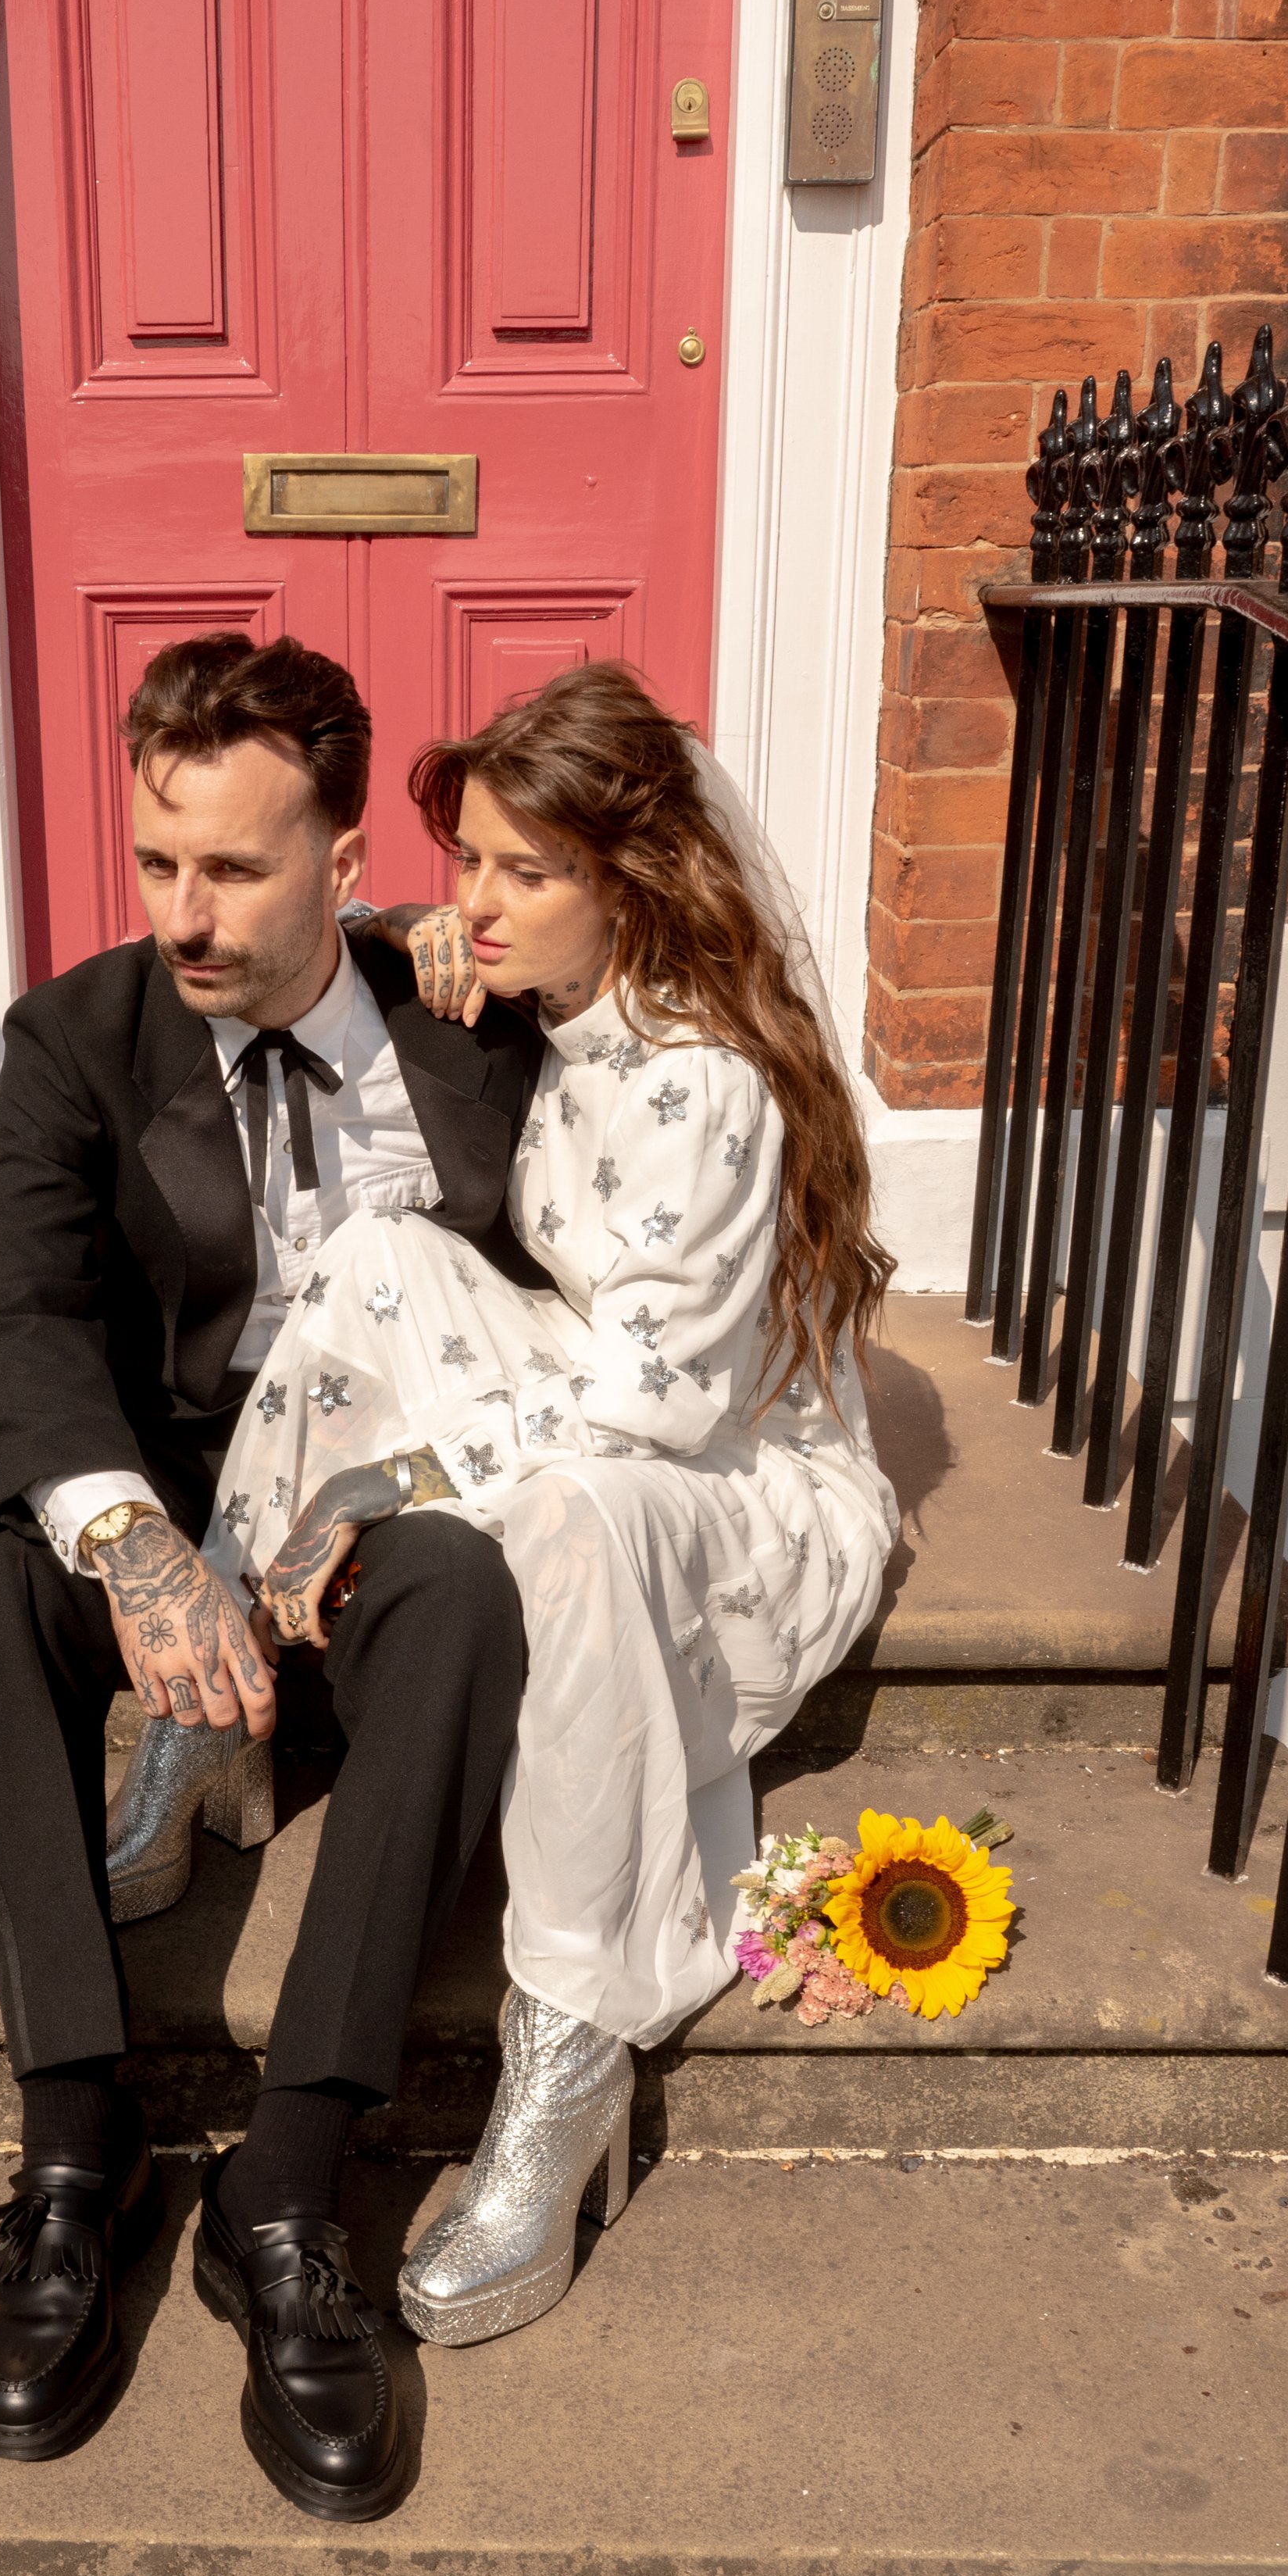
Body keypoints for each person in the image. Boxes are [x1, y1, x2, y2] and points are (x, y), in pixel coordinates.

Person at [0, 631, 547, 2524]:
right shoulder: (78, 1037)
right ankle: (74, 2150)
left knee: (464, 1597)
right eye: (157, 861)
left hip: (387, 1491)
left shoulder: (472, 1014)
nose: (183, 913)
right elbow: (12, 1314)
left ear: (348, 863)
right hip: (171, 1481)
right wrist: (128, 1540)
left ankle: (287, 2180)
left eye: (236, 869)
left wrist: (496, 945)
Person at [202, 659, 899, 2348]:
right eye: (472, 865)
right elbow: (332, 960)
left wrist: (391, 1474)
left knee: (577, 1511)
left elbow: (655, 1411)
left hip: (731, 1501)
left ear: (629, 880)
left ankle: (566, 2060)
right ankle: (209, 1675)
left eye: (526, 871)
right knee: (372, 1252)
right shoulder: (563, 1001)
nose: (479, 903)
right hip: (587, 1419)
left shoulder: (705, 1082)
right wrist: (408, 946)